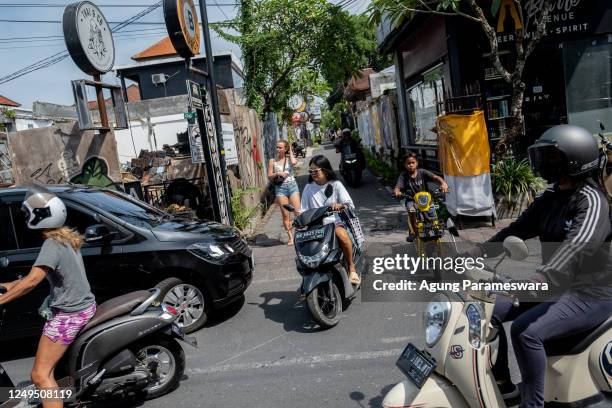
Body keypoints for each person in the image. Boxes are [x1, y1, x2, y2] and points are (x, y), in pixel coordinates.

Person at [467, 125, 612, 407]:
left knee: (526, 331)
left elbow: (575, 247)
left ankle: (533, 404)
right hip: (555, 287)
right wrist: (474, 252)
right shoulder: (550, 196)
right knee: (485, 312)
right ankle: (504, 387)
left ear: (575, 160)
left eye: (552, 157)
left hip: (591, 294)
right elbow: (518, 229)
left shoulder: (592, 202)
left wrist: (537, 279)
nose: (544, 164)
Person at [0, 187, 96, 408]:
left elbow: (32, 282)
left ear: (40, 215)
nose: (25, 217)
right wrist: (8, 286)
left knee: (40, 376)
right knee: (47, 373)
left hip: (69, 316)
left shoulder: (51, 244)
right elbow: (37, 275)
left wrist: (2, 300)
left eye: (28, 213)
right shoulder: (64, 237)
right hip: (82, 308)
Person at [300, 155, 360, 285]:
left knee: (342, 236)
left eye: (316, 170)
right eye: (311, 171)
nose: (313, 174)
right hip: (315, 225)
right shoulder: (308, 187)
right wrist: (299, 218)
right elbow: (303, 209)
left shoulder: (335, 184)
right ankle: (308, 276)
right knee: (303, 244)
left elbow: (349, 203)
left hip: (334, 222)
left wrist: (340, 205)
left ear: (325, 170)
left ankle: (351, 267)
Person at [394, 152, 448, 241]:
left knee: (433, 212)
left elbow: (436, 177)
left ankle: (436, 227)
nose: (411, 165)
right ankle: (413, 231)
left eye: (413, 162)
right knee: (411, 210)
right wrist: (397, 191)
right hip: (412, 200)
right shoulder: (403, 176)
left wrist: (443, 183)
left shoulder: (422, 172)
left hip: (426, 199)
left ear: (417, 163)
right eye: (408, 163)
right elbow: (398, 187)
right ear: (405, 165)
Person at [268, 140, 301, 245]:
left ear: (285, 149)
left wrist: (290, 150)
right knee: (286, 215)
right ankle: (290, 237)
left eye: (280, 147)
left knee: (297, 212)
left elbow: (295, 162)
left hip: (292, 186)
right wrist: (278, 173)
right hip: (280, 189)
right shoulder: (272, 161)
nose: (278, 149)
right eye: (277, 147)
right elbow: (269, 175)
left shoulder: (289, 159)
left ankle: (300, 234)